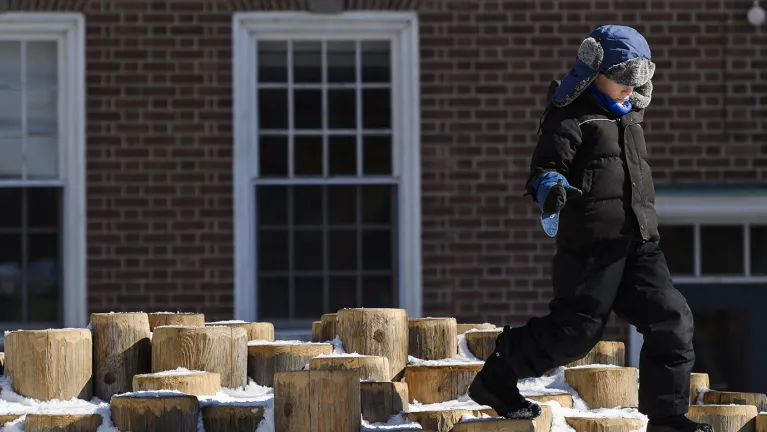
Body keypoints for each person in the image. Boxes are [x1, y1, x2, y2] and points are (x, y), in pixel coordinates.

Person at [467, 25, 714, 432]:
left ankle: (667, 417)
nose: (628, 89)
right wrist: (552, 189)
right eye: (623, 79)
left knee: (672, 318)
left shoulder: (630, 115)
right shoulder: (570, 115)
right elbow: (546, 168)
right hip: (591, 245)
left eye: (638, 81)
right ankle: (497, 376)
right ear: (593, 68)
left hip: (638, 244)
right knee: (575, 333)